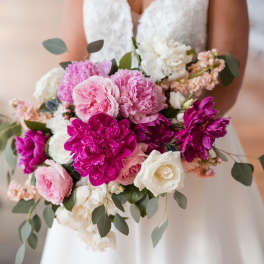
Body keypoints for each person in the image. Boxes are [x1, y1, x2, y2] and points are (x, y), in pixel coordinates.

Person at [41, 1, 264, 263]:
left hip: (191, 152)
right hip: (102, 164)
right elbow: (70, 67)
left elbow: (227, 85)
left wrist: (169, 143)